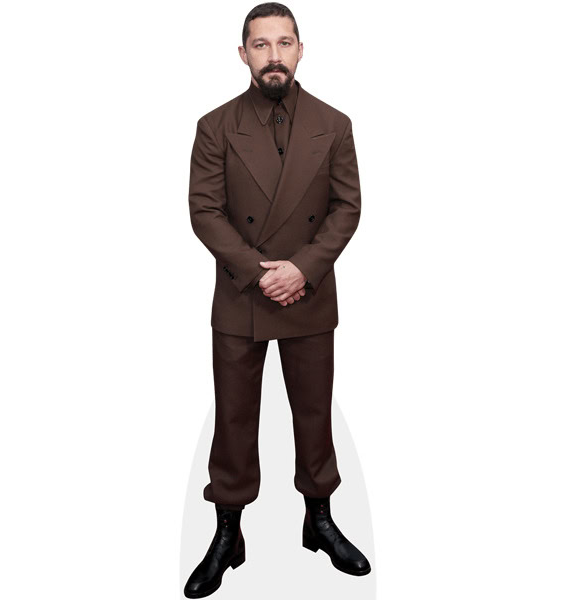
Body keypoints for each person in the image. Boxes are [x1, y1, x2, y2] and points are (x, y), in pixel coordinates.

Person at [183, 3, 370, 597]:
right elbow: (204, 211)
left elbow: (347, 207)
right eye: (260, 45)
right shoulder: (215, 126)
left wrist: (303, 269)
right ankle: (228, 532)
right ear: (243, 54)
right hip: (243, 294)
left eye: (284, 43)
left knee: (314, 413)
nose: (273, 55)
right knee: (234, 418)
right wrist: (258, 273)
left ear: (300, 49)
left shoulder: (334, 123)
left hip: (308, 293)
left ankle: (319, 521)